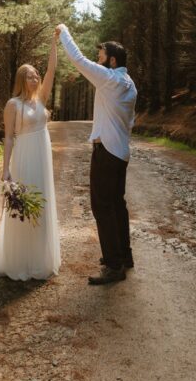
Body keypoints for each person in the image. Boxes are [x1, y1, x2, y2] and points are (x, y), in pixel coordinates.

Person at [55, 23, 137, 285]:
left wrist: (64, 31)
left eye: (101, 57)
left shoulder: (109, 78)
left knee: (101, 206)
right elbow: (131, 121)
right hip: (121, 152)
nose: (98, 61)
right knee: (117, 205)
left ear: (112, 61)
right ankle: (124, 256)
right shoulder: (129, 84)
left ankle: (114, 266)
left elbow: (78, 60)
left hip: (106, 152)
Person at [0, 30, 62, 281]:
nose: (35, 78)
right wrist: (5, 170)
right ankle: (19, 261)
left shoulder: (42, 98)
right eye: (30, 76)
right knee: (23, 206)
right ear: (22, 80)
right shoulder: (13, 105)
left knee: (41, 203)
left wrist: (55, 43)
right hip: (24, 156)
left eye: (36, 75)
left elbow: (52, 70)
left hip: (42, 157)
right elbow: (9, 137)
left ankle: (40, 259)